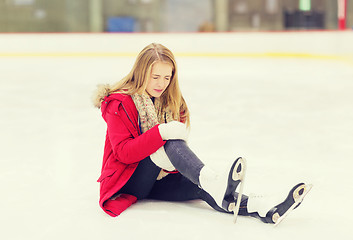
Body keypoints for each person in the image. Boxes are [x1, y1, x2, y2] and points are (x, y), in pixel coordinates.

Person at [93, 43, 312, 225]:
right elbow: (123, 153)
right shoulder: (119, 103)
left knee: (203, 189)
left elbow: (176, 147)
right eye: (155, 77)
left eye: (167, 78)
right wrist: (162, 132)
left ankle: (263, 208)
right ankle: (214, 181)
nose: (161, 84)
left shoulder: (170, 102)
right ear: (141, 73)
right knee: (170, 142)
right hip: (129, 182)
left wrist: (168, 145)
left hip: (160, 179)